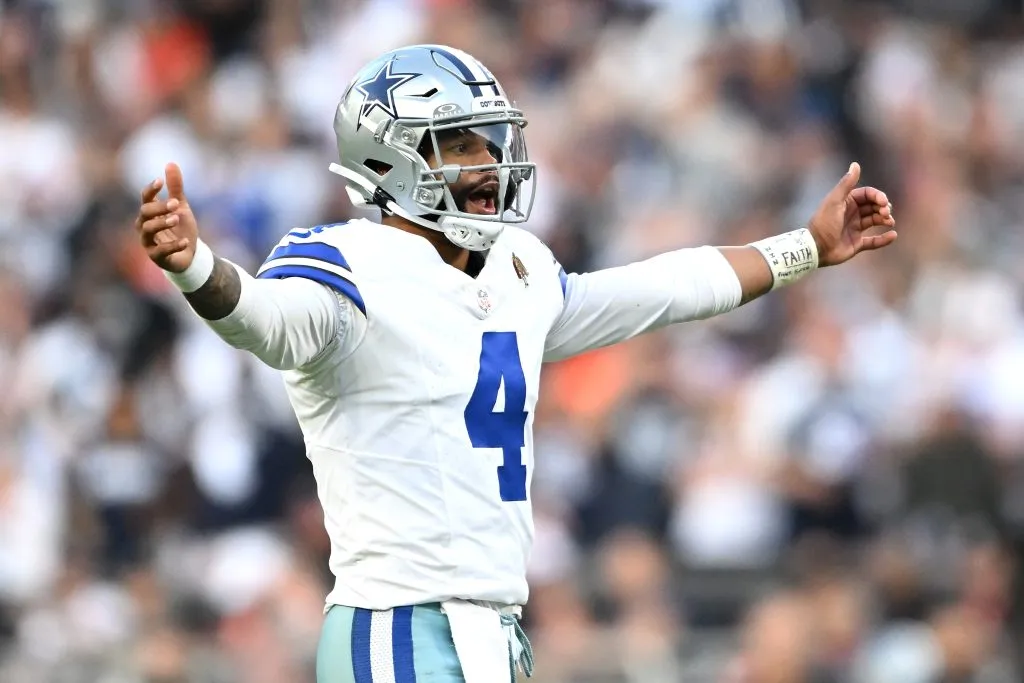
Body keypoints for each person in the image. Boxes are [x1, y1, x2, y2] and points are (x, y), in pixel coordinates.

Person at [132, 44, 896, 683]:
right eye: (460, 143)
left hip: (493, 626)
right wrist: (196, 264)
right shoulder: (346, 262)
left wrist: (807, 248)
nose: (488, 162)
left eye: (488, 140)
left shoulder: (518, 271)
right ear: (390, 158)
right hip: (395, 624)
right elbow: (265, 322)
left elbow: (663, 288)